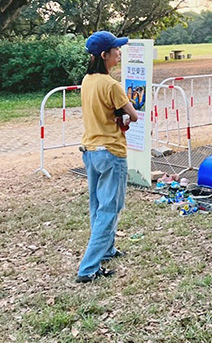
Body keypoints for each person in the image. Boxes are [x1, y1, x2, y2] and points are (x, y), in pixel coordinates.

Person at [76, 31, 138, 283]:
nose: (119, 53)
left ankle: (108, 249)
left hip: (90, 151)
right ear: (104, 56)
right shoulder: (111, 85)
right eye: (115, 50)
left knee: (98, 206)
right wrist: (124, 116)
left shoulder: (87, 81)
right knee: (110, 209)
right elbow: (133, 115)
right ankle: (88, 268)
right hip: (112, 152)